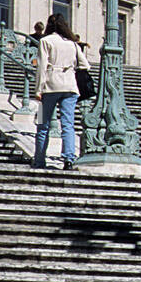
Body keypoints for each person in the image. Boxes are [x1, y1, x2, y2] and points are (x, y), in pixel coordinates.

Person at [32, 13, 90, 172]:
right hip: (70, 87)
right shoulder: (72, 44)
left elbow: (41, 67)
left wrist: (38, 90)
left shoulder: (45, 41)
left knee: (42, 124)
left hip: (49, 87)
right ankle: (68, 159)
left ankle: (39, 159)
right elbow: (86, 65)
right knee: (68, 125)